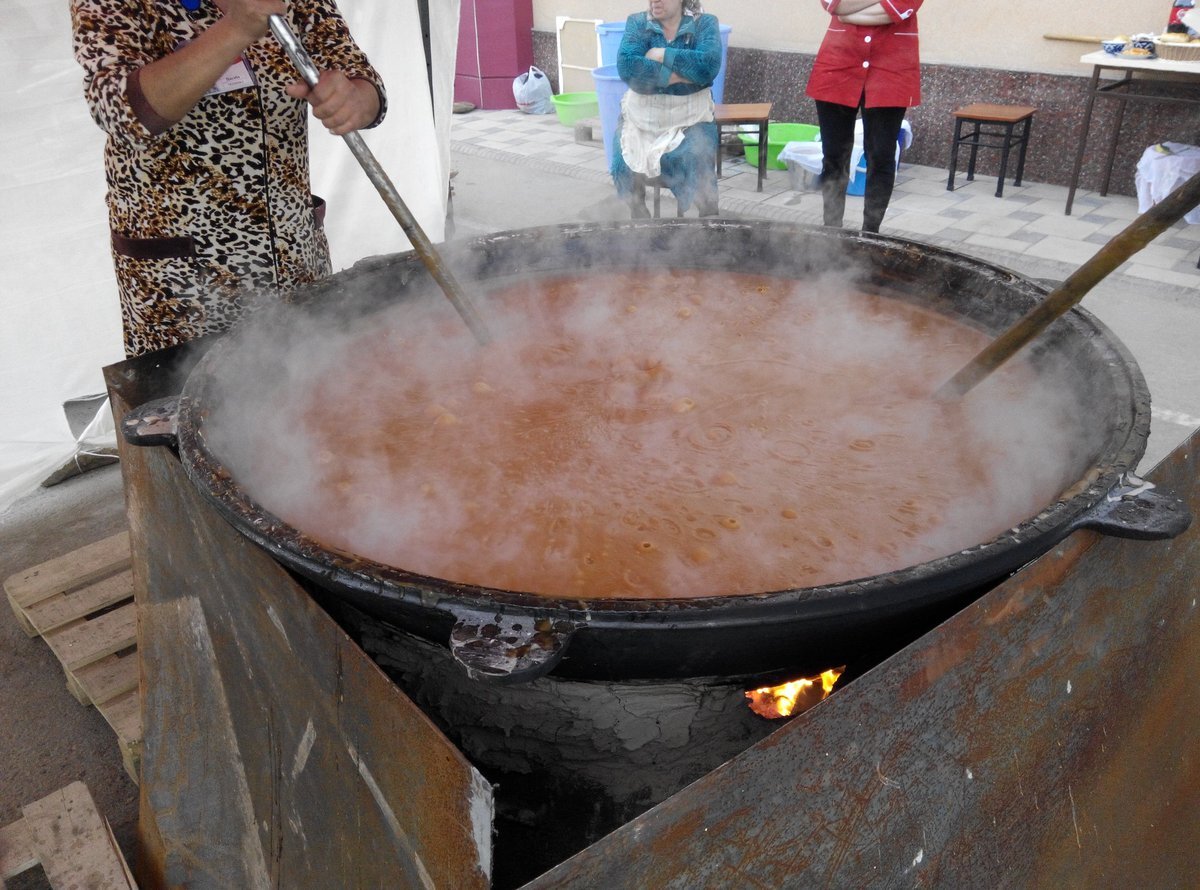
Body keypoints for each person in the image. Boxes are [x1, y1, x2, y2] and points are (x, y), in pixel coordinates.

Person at [70, 0, 387, 357]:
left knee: (311, 389)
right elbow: (120, 110)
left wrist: (356, 99)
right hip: (182, 289)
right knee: (196, 405)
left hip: (293, 260)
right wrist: (234, 29)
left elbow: (357, 72)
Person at [806, 0, 921, 233]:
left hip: (891, 73)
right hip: (836, 67)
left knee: (881, 157)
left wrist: (849, 10)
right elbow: (834, 6)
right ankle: (831, 231)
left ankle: (871, 233)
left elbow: (895, 12)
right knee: (834, 156)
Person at [612, 0, 723, 218]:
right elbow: (628, 67)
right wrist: (678, 76)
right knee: (621, 164)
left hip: (691, 118)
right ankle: (640, 221)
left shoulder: (704, 24)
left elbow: (708, 65)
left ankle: (710, 228)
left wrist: (662, 54)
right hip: (641, 117)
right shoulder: (638, 23)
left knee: (698, 161)